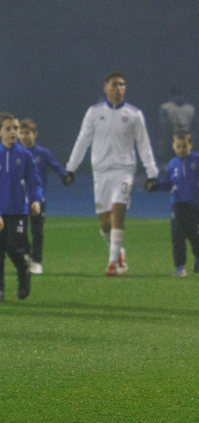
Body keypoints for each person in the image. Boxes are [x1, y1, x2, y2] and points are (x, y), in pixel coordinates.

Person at [63, 72, 160, 276]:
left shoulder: (134, 114)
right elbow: (82, 141)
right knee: (105, 223)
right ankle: (118, 253)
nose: (120, 88)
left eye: (123, 85)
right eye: (115, 84)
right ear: (105, 87)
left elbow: (144, 144)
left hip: (124, 170)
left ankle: (112, 264)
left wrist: (152, 172)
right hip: (100, 172)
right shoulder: (94, 113)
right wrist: (71, 167)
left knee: (118, 211)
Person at [0, 113, 43, 303]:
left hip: (18, 212)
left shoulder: (25, 155)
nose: (13, 132)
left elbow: (35, 182)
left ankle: (23, 271)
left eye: (15, 128)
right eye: (8, 129)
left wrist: (35, 200)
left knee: (13, 246)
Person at [17, 118, 63, 275]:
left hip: (37, 198)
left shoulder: (42, 153)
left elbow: (56, 167)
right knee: (19, 231)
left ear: (35, 134)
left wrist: (65, 176)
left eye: (27, 133)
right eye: (21, 133)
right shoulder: (15, 152)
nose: (24, 136)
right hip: (18, 199)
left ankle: (36, 261)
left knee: (37, 231)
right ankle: (25, 254)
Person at [151, 130, 199, 276]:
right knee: (177, 235)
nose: (181, 150)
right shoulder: (172, 164)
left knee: (194, 235)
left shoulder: (196, 160)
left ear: (190, 145)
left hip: (194, 205)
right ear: (173, 146)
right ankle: (180, 267)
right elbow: (167, 183)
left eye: (184, 146)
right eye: (178, 146)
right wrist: (156, 185)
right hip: (177, 204)